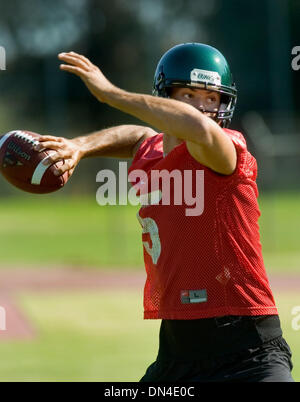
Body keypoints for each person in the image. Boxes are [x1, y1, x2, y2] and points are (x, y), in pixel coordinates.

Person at [36, 43, 294, 382]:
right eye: (189, 95)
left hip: (249, 353)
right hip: (176, 354)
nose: (203, 108)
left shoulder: (225, 151)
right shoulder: (154, 151)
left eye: (212, 98)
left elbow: (198, 129)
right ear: (164, 98)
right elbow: (137, 137)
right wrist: (80, 146)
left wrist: (111, 94)